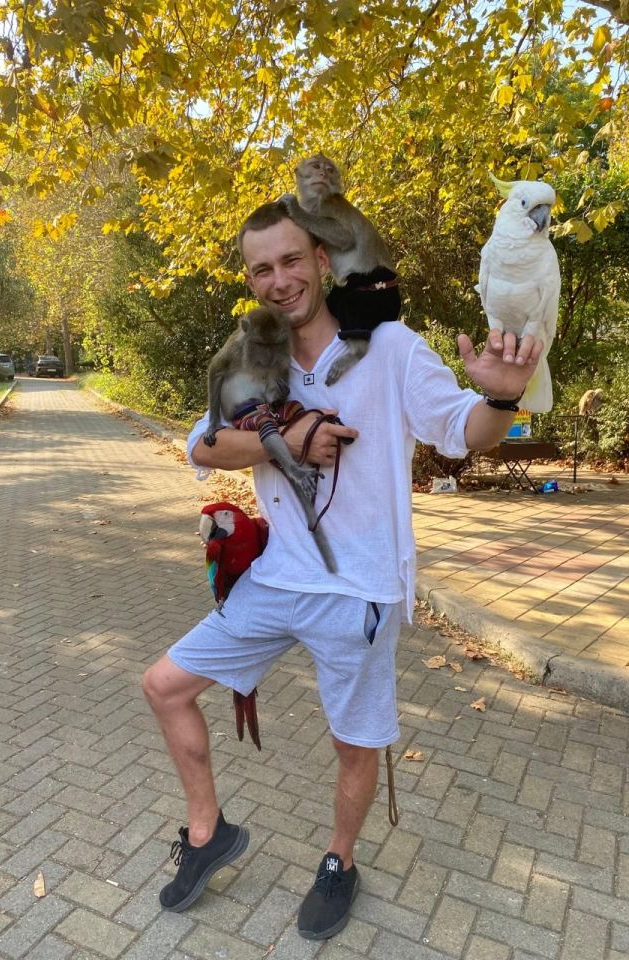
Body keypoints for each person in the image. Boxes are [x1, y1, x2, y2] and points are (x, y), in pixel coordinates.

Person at [141, 200, 543, 940]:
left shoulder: (389, 349)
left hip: (358, 590)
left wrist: (502, 393)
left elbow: (467, 433)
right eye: (262, 268)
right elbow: (202, 445)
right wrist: (287, 438)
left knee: (353, 743)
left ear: (322, 260)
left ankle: (339, 860)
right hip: (274, 580)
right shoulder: (254, 355)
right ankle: (207, 833)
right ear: (251, 280)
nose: (280, 280)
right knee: (165, 686)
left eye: (292, 260)